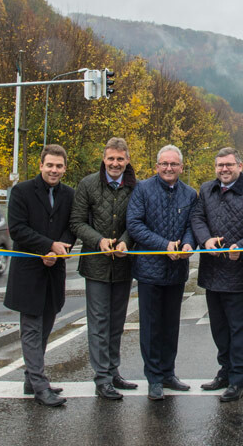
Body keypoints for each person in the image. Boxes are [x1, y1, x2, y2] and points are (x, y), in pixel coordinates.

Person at [190, 147, 243, 402]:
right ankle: (224, 371)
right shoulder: (206, 189)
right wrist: (205, 240)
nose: (224, 169)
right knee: (219, 328)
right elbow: (197, 218)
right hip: (212, 272)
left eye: (228, 165)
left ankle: (238, 379)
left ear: (239, 165)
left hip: (239, 274)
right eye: (220, 165)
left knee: (239, 330)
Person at [4, 144, 74, 407]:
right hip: (29, 272)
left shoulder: (69, 194)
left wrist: (62, 246)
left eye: (58, 166)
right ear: (41, 165)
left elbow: (72, 226)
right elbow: (18, 229)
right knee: (31, 328)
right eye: (49, 165)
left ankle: (30, 379)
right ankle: (40, 385)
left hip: (54, 272)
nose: (54, 170)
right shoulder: (22, 191)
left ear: (65, 168)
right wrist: (47, 246)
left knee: (45, 327)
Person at [126, 144, 196, 401]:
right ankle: (154, 377)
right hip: (149, 272)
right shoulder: (142, 189)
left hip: (176, 271)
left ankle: (168, 373)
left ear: (181, 167)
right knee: (151, 327)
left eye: (173, 164)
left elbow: (192, 225)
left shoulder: (190, 194)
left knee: (170, 326)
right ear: (156, 166)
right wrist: (163, 245)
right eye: (164, 164)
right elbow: (134, 224)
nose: (169, 168)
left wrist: (189, 244)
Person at [70, 137, 138, 401]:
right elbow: (76, 222)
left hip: (122, 265)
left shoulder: (135, 187)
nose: (115, 163)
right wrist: (97, 240)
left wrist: (124, 241)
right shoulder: (88, 184)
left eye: (120, 159)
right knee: (99, 322)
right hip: (96, 266)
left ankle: (113, 370)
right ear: (104, 159)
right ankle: (101, 378)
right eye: (111, 158)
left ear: (127, 160)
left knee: (117, 322)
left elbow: (136, 222)